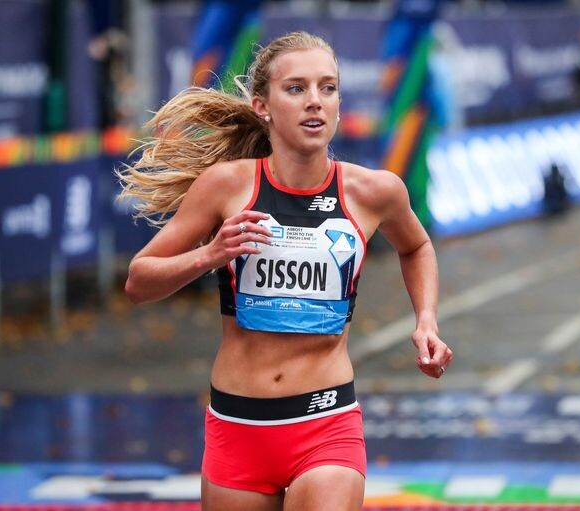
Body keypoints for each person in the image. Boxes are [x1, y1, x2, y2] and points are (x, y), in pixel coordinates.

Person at [118, 31, 453, 511]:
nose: (315, 101)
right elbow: (138, 281)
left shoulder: (373, 191)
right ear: (263, 106)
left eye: (327, 88)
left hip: (326, 423)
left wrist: (426, 320)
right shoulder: (226, 186)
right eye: (296, 88)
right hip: (239, 426)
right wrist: (209, 255)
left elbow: (416, 246)